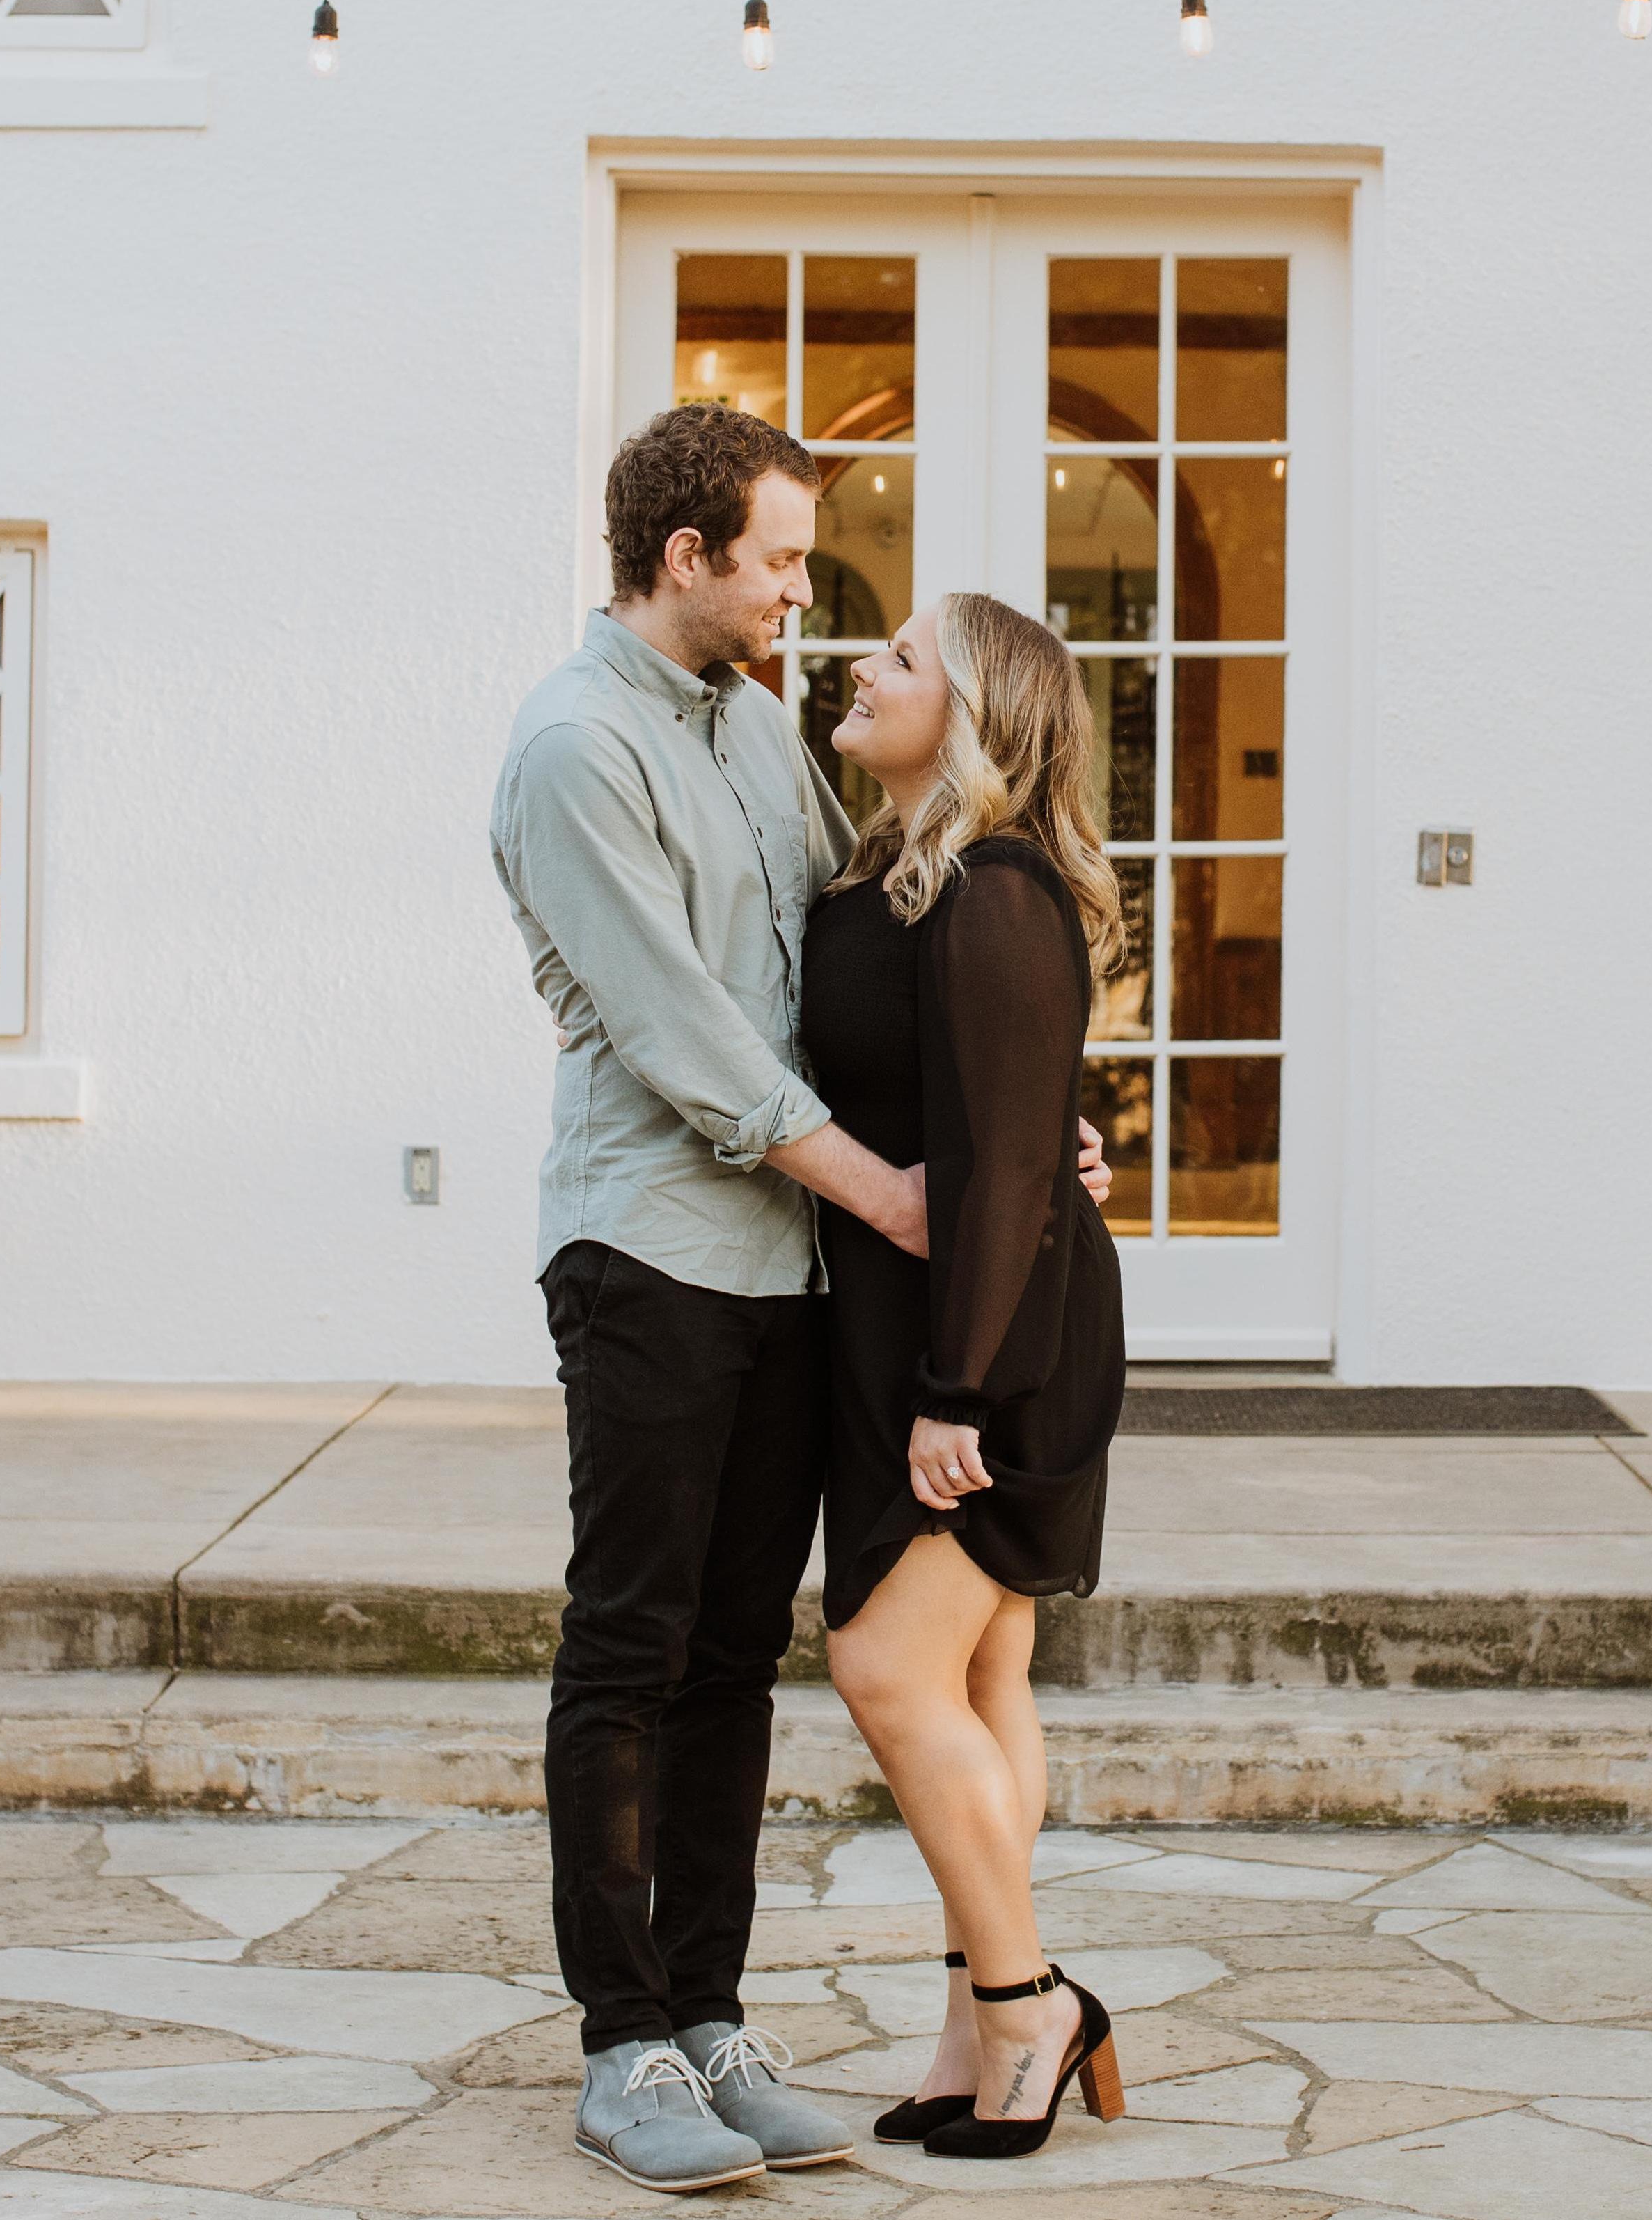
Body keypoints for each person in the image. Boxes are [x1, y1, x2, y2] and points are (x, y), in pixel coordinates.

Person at [489, 409, 1108, 2193]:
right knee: (628, 1646)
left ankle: (708, 2018)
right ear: (684, 556)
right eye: (773, 559)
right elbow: (689, 1037)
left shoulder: (759, 726)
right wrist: (909, 1192)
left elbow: (889, 939)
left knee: (734, 1658)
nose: (797, 594)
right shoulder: (575, 746)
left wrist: (1025, 1117)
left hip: (793, 1267)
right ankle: (623, 2044)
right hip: (654, 1255)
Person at [802, 592, 1130, 2161]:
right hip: (926, 1325)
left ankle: (1028, 2005)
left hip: (991, 1345)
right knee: (984, 1678)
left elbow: (1004, 1164)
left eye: (902, 658)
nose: (862, 666)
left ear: (977, 718)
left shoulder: (995, 884)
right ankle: (969, 2027)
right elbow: (1001, 1108)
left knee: (884, 1667)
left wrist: (959, 1391)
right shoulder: (902, 871)